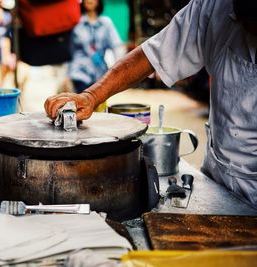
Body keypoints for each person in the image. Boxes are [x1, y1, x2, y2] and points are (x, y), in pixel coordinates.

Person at [44, 0, 257, 207]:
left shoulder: (106, 24)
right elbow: (152, 54)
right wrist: (91, 95)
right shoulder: (214, 6)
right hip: (218, 180)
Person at [68, 0, 124, 93]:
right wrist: (66, 75)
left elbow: (116, 45)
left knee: (100, 106)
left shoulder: (106, 23)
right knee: (82, 104)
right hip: (79, 74)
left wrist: (119, 70)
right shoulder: (76, 23)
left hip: (100, 75)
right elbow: (69, 51)